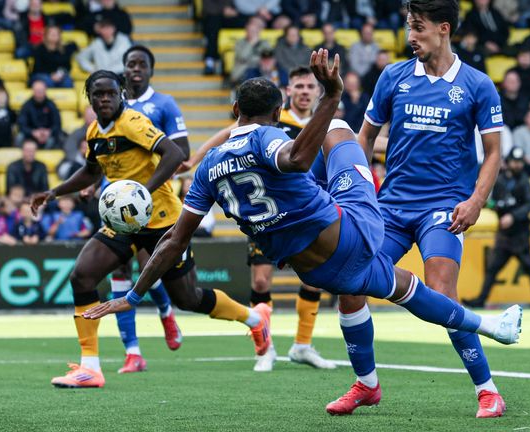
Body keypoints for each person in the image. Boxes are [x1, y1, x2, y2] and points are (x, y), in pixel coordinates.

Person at [82, 53, 522, 415]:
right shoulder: (268, 140)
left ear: (234, 112)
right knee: (337, 130)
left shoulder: (210, 170)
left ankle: (405, 369)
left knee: (401, 287)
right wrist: (332, 95)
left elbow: (173, 241)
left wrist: (135, 295)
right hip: (356, 227)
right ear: (277, 114)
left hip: (322, 271)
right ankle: (475, 339)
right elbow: (292, 157)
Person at [30, 70, 274, 389]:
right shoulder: (94, 132)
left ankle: (256, 319)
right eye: (97, 94)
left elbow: (174, 154)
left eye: (110, 94)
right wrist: (55, 192)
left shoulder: (133, 123)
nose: (104, 99)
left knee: (187, 298)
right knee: (82, 275)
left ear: (122, 96)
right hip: (124, 222)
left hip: (162, 221)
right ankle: (90, 367)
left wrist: (143, 191)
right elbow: (91, 171)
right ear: (88, 98)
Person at [357, 0, 510, 418]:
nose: (411, 37)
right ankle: (366, 384)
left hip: (444, 206)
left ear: (443, 29)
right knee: (351, 282)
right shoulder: (393, 77)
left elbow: (494, 152)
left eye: (418, 28)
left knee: (442, 291)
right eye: (409, 27)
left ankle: (487, 390)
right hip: (391, 205)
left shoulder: (478, 85)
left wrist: (476, 200)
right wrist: (354, 190)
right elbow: (364, 138)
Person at [180, 66, 339, 373]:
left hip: (307, 207)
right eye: (299, 86)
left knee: (314, 279)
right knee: (262, 280)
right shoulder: (268, 122)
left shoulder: (327, 122)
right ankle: (264, 347)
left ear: (318, 92)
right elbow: (227, 134)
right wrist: (196, 159)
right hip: (269, 214)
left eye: (310, 86)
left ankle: (302, 345)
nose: (305, 91)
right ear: (288, 93)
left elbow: (355, 141)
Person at [108, 44, 189, 371]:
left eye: (141, 63)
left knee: (147, 267)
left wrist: (146, 180)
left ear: (151, 70)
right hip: (113, 201)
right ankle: (132, 352)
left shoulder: (164, 104)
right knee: (118, 270)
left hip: (151, 202)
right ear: (124, 69)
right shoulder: (112, 105)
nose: (135, 68)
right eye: (130, 63)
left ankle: (166, 313)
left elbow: (181, 150)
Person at [463, 148, 530, 308]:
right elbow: (497, 203)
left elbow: (529, 205)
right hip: (504, 234)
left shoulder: (524, 180)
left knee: (529, 266)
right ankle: (481, 299)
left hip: (520, 233)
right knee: (493, 267)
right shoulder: (500, 180)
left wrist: (512, 216)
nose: (517, 165)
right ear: (508, 163)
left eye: (520, 162)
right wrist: (492, 206)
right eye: (515, 162)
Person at [17, 80, 62, 148]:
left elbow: (57, 124)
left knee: (55, 139)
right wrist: (33, 132)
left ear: (45, 91)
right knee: (19, 137)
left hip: (47, 135)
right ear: (33, 91)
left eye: (41, 90)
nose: (39, 93)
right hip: (31, 136)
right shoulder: (27, 106)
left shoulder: (51, 105)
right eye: (37, 90)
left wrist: (49, 132)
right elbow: (21, 125)